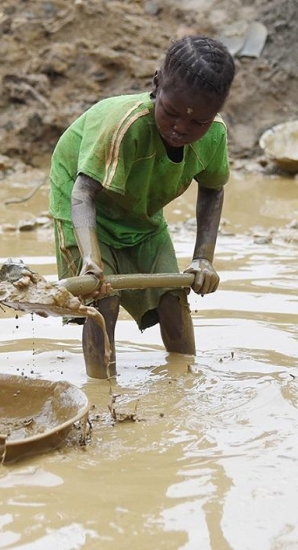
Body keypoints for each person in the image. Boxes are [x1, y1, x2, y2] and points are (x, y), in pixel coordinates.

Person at [48, 35, 236, 379]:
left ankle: (185, 381)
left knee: (173, 296)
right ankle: (102, 390)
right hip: (84, 202)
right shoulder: (126, 125)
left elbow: (213, 189)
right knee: (102, 299)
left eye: (198, 122)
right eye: (172, 113)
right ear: (156, 84)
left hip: (140, 214)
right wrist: (91, 259)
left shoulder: (214, 136)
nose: (181, 128)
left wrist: (203, 258)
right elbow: (83, 193)